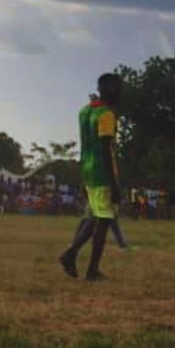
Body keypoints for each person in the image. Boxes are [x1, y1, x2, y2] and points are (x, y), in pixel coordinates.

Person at [59, 75, 124, 280]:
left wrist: (82, 178)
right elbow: (105, 148)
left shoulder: (85, 111)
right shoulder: (106, 114)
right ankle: (92, 270)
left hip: (87, 170)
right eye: (118, 88)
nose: (120, 92)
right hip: (102, 173)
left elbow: (85, 146)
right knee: (104, 220)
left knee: (95, 216)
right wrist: (114, 184)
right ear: (110, 89)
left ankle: (71, 254)